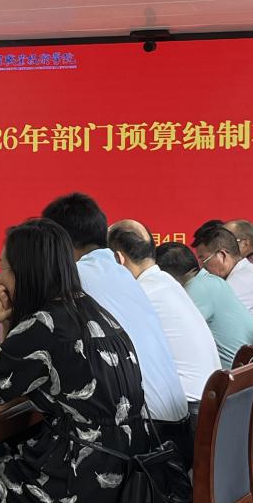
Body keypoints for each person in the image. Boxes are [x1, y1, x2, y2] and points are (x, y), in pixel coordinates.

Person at [0, 218, 151, 503]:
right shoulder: (88, 309)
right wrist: (9, 317)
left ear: (24, 273)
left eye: (2, 269)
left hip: (78, 492)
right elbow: (13, 370)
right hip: (125, 480)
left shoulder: (45, 325)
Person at [42, 193, 191, 459]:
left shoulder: (73, 277)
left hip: (143, 438)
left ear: (58, 243)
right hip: (176, 430)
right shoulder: (122, 274)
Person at [108, 219, 220, 406]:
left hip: (185, 408)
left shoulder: (141, 294)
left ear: (118, 259)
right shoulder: (166, 282)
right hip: (207, 401)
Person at [156, 242, 253, 369]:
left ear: (166, 275)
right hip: (248, 369)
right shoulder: (210, 280)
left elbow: (173, 335)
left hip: (233, 374)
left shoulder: (196, 290)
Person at [193, 223, 253, 338]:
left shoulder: (239, 281)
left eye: (204, 260)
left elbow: (208, 323)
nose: (202, 268)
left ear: (222, 255)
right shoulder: (247, 272)